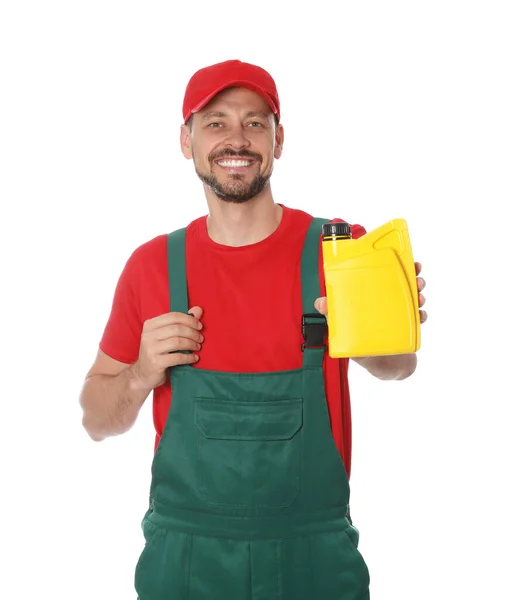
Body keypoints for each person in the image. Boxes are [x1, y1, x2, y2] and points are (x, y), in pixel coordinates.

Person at [79, 59, 427, 600]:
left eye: (255, 122)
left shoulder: (340, 249)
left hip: (314, 563)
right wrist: (141, 374)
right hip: (184, 563)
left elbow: (400, 367)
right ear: (185, 139)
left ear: (278, 140)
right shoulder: (152, 266)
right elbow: (96, 420)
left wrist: (372, 323)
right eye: (215, 122)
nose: (235, 138)